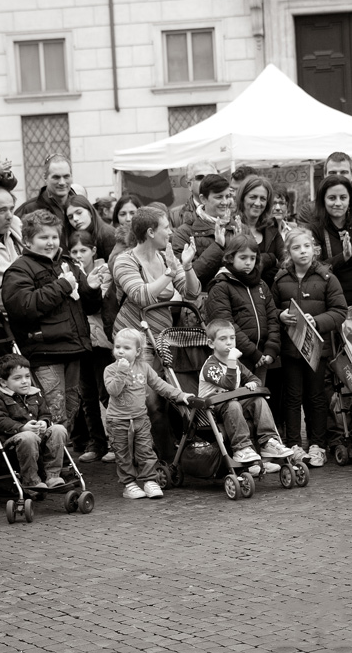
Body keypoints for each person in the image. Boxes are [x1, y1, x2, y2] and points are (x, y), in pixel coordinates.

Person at [1, 210, 106, 447]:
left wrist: (91, 288)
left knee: (69, 411)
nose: (51, 242)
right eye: (43, 237)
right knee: (52, 413)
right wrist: (62, 286)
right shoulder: (19, 269)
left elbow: (89, 307)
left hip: (73, 349)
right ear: (27, 241)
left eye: (54, 237)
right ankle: (51, 464)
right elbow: (24, 307)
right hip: (45, 352)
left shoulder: (67, 263)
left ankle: (59, 460)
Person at [111, 207, 199, 458]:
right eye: (166, 227)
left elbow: (192, 293)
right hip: (135, 341)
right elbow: (141, 296)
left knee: (172, 397)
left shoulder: (165, 256)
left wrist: (187, 266)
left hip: (163, 338)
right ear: (150, 232)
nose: (171, 232)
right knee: (149, 402)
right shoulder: (125, 261)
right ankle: (159, 459)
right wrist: (170, 273)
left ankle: (176, 454)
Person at [270, 228, 348, 467]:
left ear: (315, 249)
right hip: (291, 349)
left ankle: (317, 445)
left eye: (306, 246)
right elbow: (270, 309)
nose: (302, 251)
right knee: (292, 397)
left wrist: (319, 321)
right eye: (296, 247)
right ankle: (294, 444)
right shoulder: (280, 279)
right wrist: (280, 316)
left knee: (316, 397)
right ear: (288, 252)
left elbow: (340, 311)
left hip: (317, 349)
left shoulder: (327, 278)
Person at [103, 328, 197, 499]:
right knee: (123, 454)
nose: (120, 351)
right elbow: (113, 390)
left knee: (145, 450)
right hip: (117, 420)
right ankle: (129, 484)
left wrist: (180, 395)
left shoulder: (144, 367)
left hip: (140, 418)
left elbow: (160, 385)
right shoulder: (110, 369)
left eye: (126, 348)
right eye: (117, 347)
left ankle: (149, 480)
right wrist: (121, 371)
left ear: (138, 351)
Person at [198, 319, 296, 466]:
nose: (229, 342)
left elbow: (255, 379)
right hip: (212, 410)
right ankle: (241, 448)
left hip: (233, 404)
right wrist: (231, 360)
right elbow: (229, 385)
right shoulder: (210, 366)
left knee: (259, 400)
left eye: (232, 338)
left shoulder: (236, 363)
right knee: (233, 405)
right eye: (223, 339)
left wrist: (252, 383)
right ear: (211, 344)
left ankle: (268, 442)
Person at [0, 354, 69, 490]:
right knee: (28, 436)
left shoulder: (34, 393)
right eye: (17, 378)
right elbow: (0, 420)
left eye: (27, 376)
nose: (24, 381)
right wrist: (21, 428)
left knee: (59, 429)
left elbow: (45, 413)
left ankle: (53, 476)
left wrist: (44, 422)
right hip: (13, 440)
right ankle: (31, 480)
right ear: (3, 382)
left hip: (38, 436)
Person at [203, 235, 280, 382]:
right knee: (237, 394)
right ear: (231, 258)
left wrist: (271, 348)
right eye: (243, 257)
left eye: (252, 258)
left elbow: (272, 318)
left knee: (258, 393)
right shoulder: (221, 286)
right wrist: (252, 352)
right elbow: (226, 324)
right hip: (235, 357)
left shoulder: (261, 285)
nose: (248, 262)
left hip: (262, 357)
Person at [69, 230, 115, 462]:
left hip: (101, 342)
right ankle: (97, 443)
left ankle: (117, 442)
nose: (79, 255)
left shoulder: (103, 271)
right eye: (74, 251)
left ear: (93, 250)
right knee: (87, 396)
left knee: (107, 392)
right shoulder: (68, 273)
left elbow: (96, 304)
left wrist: (82, 288)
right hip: (79, 341)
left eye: (83, 250)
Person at [309, 175, 352, 305]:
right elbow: (314, 269)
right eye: (332, 198)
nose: (338, 203)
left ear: (350, 199)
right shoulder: (314, 229)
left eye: (343, 198)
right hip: (329, 303)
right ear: (323, 200)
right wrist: (344, 257)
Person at [171, 173, 235, 288]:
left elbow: (253, 270)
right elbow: (188, 279)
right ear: (203, 199)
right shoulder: (184, 233)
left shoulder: (238, 227)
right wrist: (217, 247)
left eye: (227, 196)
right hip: (205, 296)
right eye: (219, 197)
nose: (225, 202)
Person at [235, 175, 284, 285]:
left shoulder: (271, 229)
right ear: (242, 198)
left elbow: (286, 262)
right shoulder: (233, 227)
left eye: (263, 199)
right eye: (253, 197)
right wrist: (270, 258)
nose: (258, 203)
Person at [14, 153, 76, 222]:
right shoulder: (28, 210)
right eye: (56, 177)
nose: (62, 182)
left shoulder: (82, 207)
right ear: (45, 177)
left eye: (66, 176)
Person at [64, 194, 116, 261]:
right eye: (70, 217)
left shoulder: (108, 234)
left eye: (79, 213)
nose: (75, 219)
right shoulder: (72, 237)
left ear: (90, 212)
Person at [170, 160, 219, 228]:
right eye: (200, 177)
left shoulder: (226, 210)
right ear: (190, 185)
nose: (206, 181)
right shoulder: (175, 216)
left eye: (210, 177)